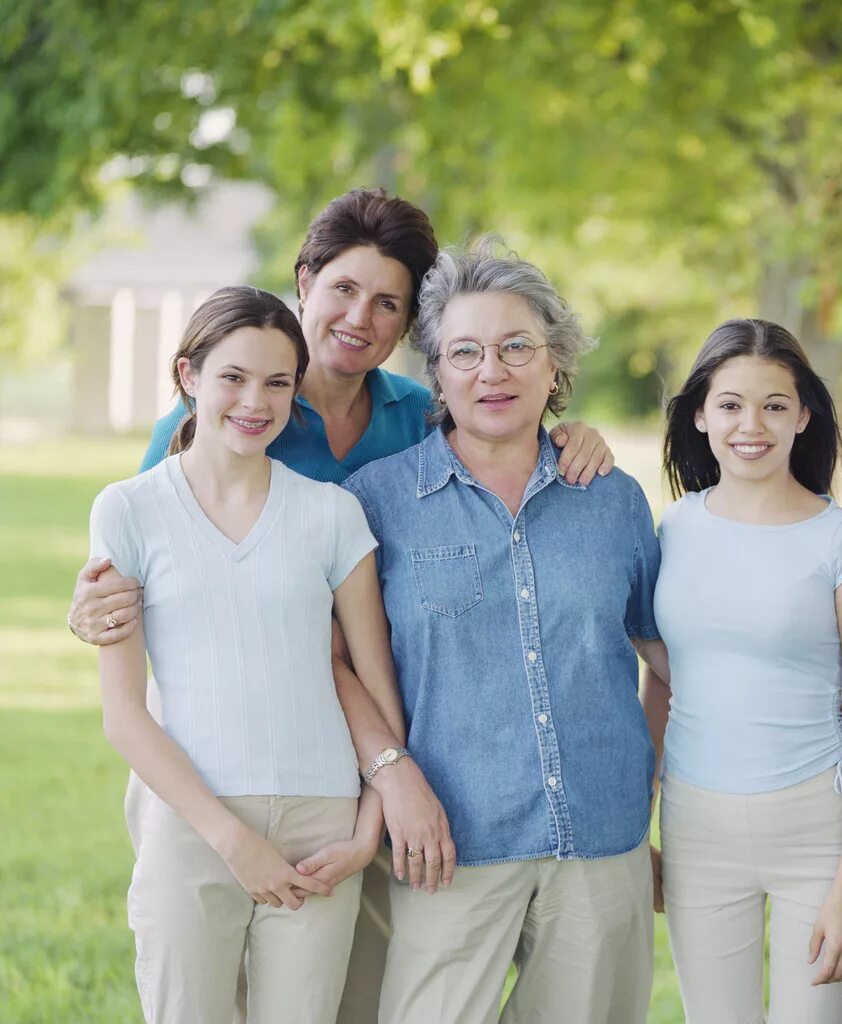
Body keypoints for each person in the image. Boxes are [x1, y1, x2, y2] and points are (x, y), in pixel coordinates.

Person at [65, 188, 614, 1022]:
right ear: (305, 281)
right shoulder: (210, 423)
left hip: (353, 766)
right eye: (345, 290)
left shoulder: (417, 419)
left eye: (388, 303)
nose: (362, 317)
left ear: (408, 327)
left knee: (351, 990)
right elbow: (148, 564)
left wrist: (574, 433)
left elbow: (500, 435)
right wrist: (88, 609)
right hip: (214, 757)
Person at [339, 237, 668, 1024]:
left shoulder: (614, 499)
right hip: (448, 841)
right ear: (438, 377)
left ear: (556, 364)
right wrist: (393, 774)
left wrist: (639, 789)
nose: (494, 371)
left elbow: (661, 655)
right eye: (467, 352)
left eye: (518, 346)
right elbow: (334, 661)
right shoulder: (373, 503)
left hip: (600, 839)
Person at [90, 287, 404, 1022]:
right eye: (233, 376)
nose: (254, 401)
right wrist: (232, 839)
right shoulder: (129, 509)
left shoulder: (332, 514)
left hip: (323, 827)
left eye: (277, 383)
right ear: (188, 376)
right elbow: (124, 715)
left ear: (298, 393)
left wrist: (366, 830)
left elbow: (375, 682)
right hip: (193, 820)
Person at [647, 319, 842, 1022]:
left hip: (815, 822)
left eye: (774, 405)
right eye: (729, 404)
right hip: (695, 820)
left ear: (803, 414)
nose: (750, 425)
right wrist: (644, 824)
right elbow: (664, 680)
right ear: (699, 414)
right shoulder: (676, 530)